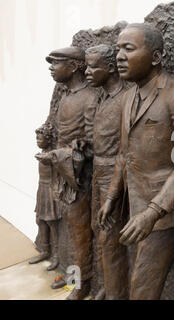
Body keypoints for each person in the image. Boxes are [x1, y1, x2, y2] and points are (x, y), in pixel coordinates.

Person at [98, 23, 174, 299]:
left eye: (128, 49)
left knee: (142, 289)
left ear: (155, 57)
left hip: (163, 215)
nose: (119, 56)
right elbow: (125, 152)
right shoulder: (128, 95)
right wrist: (112, 197)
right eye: (118, 49)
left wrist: (153, 213)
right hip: (134, 207)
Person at [38, 46, 98, 300]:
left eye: (56, 63)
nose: (52, 68)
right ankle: (71, 271)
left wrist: (60, 156)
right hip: (65, 174)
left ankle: (82, 283)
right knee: (70, 231)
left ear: (74, 66)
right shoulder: (66, 96)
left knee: (80, 233)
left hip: (80, 178)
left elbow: (94, 144)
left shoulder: (89, 98)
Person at [85, 44, 129, 300]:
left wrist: (114, 188)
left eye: (93, 66)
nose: (87, 71)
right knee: (99, 232)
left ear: (110, 68)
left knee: (111, 238)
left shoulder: (126, 98)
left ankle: (116, 294)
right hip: (97, 173)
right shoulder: (102, 97)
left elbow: (125, 149)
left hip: (115, 177)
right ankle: (107, 287)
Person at [29, 123, 61, 271]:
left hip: (50, 190)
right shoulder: (42, 152)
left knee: (52, 224)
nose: (37, 141)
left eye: (40, 138)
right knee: (40, 220)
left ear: (48, 139)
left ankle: (56, 256)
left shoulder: (53, 155)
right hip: (41, 188)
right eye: (36, 138)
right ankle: (45, 250)